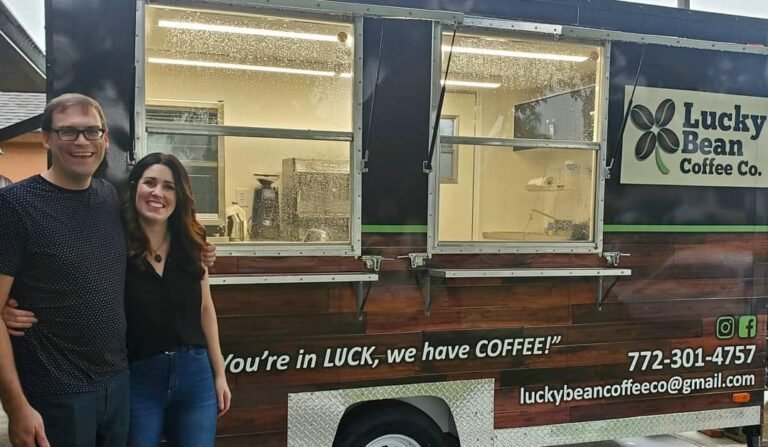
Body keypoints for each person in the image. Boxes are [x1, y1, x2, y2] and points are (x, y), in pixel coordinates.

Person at [0, 93, 217, 447]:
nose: (82, 141)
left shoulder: (108, 198)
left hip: (118, 387)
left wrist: (200, 250)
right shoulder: (14, 205)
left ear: (105, 140)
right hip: (56, 394)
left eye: (91, 131)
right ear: (46, 138)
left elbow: (154, 230)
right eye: (68, 131)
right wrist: (16, 406)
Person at [122, 152, 230, 445]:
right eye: (150, 183)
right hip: (138, 377)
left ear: (179, 195)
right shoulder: (116, 243)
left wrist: (219, 373)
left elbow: (205, 309)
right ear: (135, 187)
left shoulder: (192, 242)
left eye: (168, 186)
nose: (157, 193)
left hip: (195, 375)